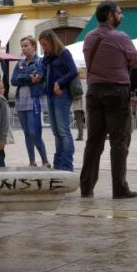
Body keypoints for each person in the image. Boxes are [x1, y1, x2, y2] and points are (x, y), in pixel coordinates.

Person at [80, 0, 137, 199]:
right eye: (119, 12)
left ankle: (87, 187)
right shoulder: (120, 37)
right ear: (109, 15)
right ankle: (119, 187)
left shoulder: (88, 37)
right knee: (119, 141)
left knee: (94, 141)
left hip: (94, 91)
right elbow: (136, 60)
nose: (121, 16)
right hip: (116, 91)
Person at [38, 30, 78, 172]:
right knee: (56, 132)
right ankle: (58, 164)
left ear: (51, 41)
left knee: (63, 131)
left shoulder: (64, 53)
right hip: (50, 95)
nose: (43, 47)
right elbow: (49, 74)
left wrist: (59, 82)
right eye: (41, 45)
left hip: (62, 95)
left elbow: (73, 71)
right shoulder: (48, 56)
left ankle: (67, 165)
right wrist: (40, 78)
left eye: (44, 44)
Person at [11, 36, 49, 167]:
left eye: (26, 45)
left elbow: (40, 77)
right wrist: (28, 77)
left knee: (34, 131)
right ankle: (32, 161)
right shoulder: (20, 63)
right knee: (26, 132)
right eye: (22, 46)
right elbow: (13, 81)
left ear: (34, 46)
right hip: (21, 100)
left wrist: (23, 77)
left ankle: (45, 161)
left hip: (34, 99)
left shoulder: (40, 61)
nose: (23, 48)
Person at [72, 69, 86, 141]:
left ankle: (80, 135)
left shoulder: (76, 81)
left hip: (77, 102)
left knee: (79, 120)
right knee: (88, 120)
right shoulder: (87, 82)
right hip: (86, 104)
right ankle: (90, 135)